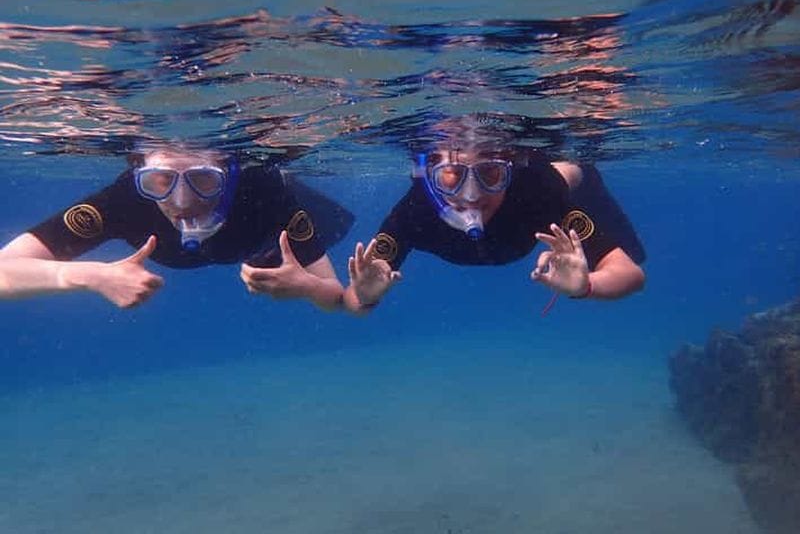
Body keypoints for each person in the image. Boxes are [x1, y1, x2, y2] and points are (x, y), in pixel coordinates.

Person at [343, 115, 645, 314]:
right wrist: (366, 297)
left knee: (569, 173)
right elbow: (351, 299)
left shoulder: (538, 197)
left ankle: (576, 168)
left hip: (563, 179)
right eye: (452, 176)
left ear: (508, 171)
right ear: (429, 176)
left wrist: (586, 287)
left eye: (490, 174)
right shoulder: (414, 213)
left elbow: (630, 273)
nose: (472, 195)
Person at [0, 145, 352, 310]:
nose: (182, 201)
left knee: (328, 225)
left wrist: (306, 286)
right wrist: (92, 275)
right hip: (240, 245)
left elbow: (335, 295)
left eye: (203, 180)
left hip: (262, 236)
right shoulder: (124, 200)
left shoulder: (263, 190)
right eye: (160, 181)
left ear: (230, 175)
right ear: (140, 175)